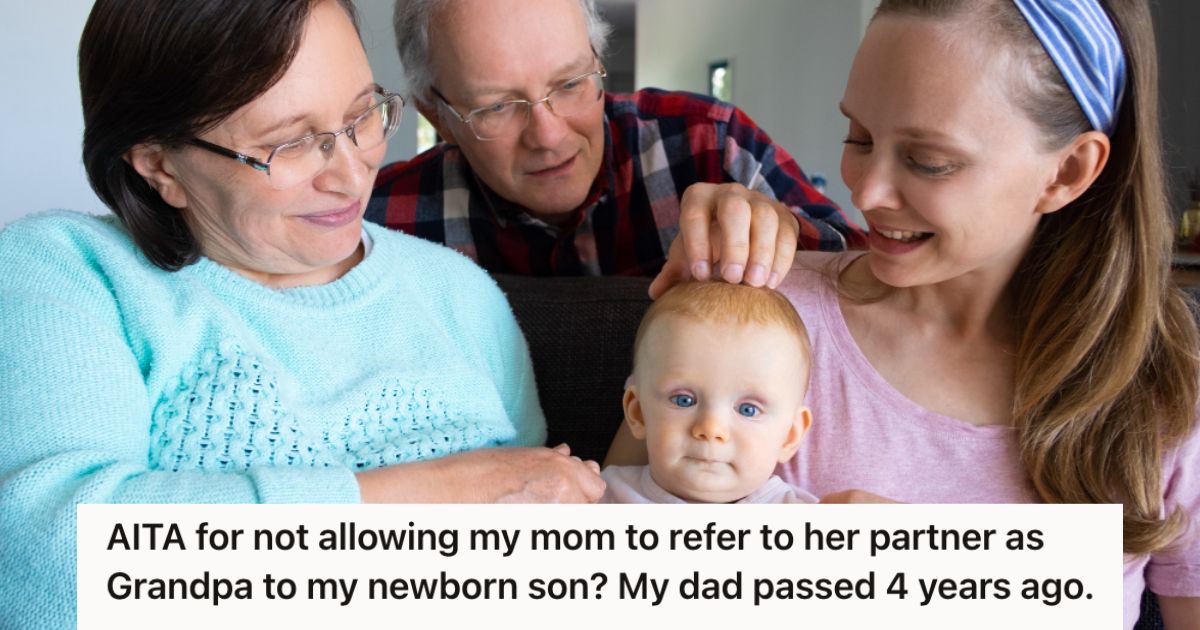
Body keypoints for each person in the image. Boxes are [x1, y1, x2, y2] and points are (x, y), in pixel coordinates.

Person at [0, 1, 605, 626]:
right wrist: (434, 501)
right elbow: (43, 563)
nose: (350, 175)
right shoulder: (70, 272)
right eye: (288, 143)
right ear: (158, 164)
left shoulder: (458, 290)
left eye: (361, 115)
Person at [608, 0, 1200, 626]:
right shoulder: (765, 319)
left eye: (928, 161)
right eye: (857, 137)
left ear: (1069, 170)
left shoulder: (1160, 386)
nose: (865, 193)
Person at [369, 0, 866, 290]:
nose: (549, 135)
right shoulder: (383, 225)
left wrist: (781, 235)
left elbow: (864, 274)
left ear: (598, 58)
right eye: (496, 106)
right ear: (438, 115)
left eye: (570, 84)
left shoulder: (710, 145)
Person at [601, 282, 815, 504]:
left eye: (748, 410)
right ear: (638, 414)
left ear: (790, 435)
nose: (712, 429)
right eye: (684, 400)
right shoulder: (597, 496)